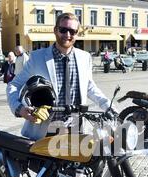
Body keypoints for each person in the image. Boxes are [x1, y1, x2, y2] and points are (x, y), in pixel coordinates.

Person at [7, 12, 113, 141]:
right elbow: (14, 85)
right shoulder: (37, 57)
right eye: (63, 30)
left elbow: (90, 87)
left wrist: (109, 107)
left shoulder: (85, 57)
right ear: (55, 30)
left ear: (77, 33)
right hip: (44, 132)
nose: (67, 35)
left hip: (76, 130)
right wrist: (19, 109)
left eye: (72, 31)